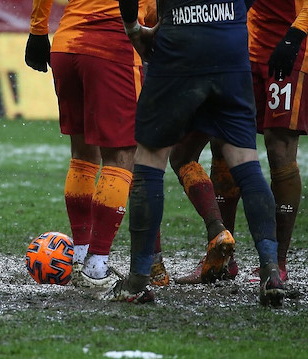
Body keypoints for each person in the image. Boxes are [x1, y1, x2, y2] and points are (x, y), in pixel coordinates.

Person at [110, 0, 285, 307]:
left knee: (150, 159)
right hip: (228, 40)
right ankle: (271, 270)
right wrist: (232, 12)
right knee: (246, 161)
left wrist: (133, 28)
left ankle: (138, 281)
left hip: (178, 40)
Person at [24, 0, 170, 291]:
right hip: (112, 44)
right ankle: (96, 266)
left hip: (67, 44)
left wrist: (38, 31)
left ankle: (79, 255)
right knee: (122, 157)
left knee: (82, 157)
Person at [176, 0, 308, 284]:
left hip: (292, 47)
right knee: (222, 140)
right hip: (245, 48)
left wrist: (296, 35)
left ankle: (277, 264)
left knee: (279, 147)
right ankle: (224, 257)